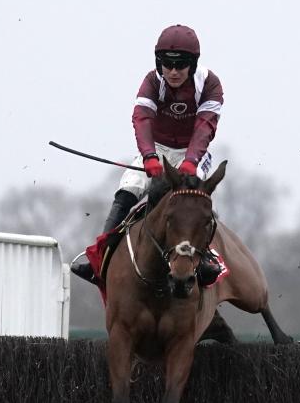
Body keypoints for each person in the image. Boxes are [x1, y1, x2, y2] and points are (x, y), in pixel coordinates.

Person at [71, 24, 224, 285]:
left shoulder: (209, 84)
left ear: (193, 64)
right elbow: (142, 119)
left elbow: (205, 126)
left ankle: (208, 259)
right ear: (158, 62)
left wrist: (190, 162)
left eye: (181, 65)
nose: (173, 72)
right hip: (157, 148)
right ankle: (100, 259)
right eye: (167, 64)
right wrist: (150, 156)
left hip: (193, 151)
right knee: (126, 190)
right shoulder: (152, 81)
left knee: (192, 199)